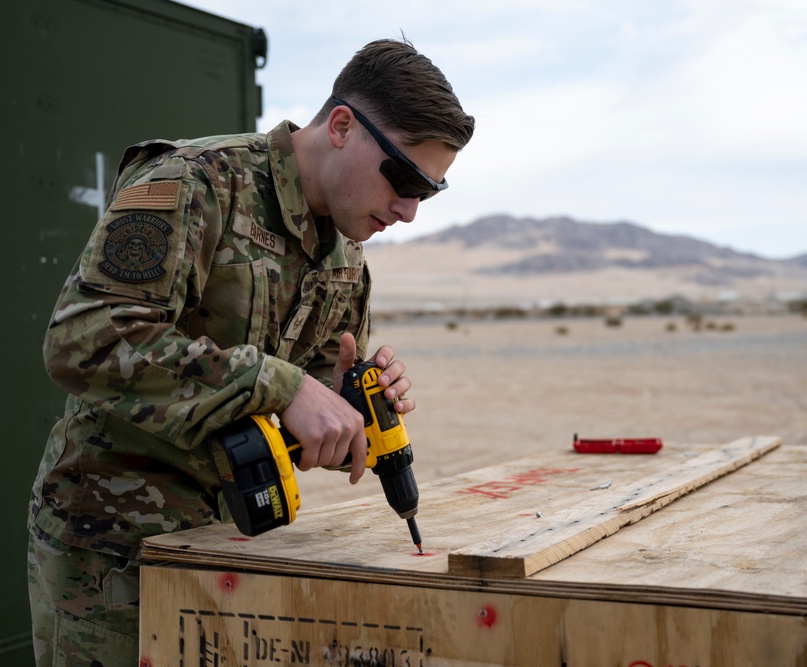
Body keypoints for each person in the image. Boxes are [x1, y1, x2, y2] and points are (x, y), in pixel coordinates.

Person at [26, 38, 475, 666]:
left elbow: (299, 396)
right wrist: (283, 388)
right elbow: (85, 339)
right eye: (402, 178)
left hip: (236, 539)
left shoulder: (346, 254)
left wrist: (346, 400)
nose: (408, 210)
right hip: (113, 554)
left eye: (429, 191)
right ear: (342, 125)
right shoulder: (194, 183)